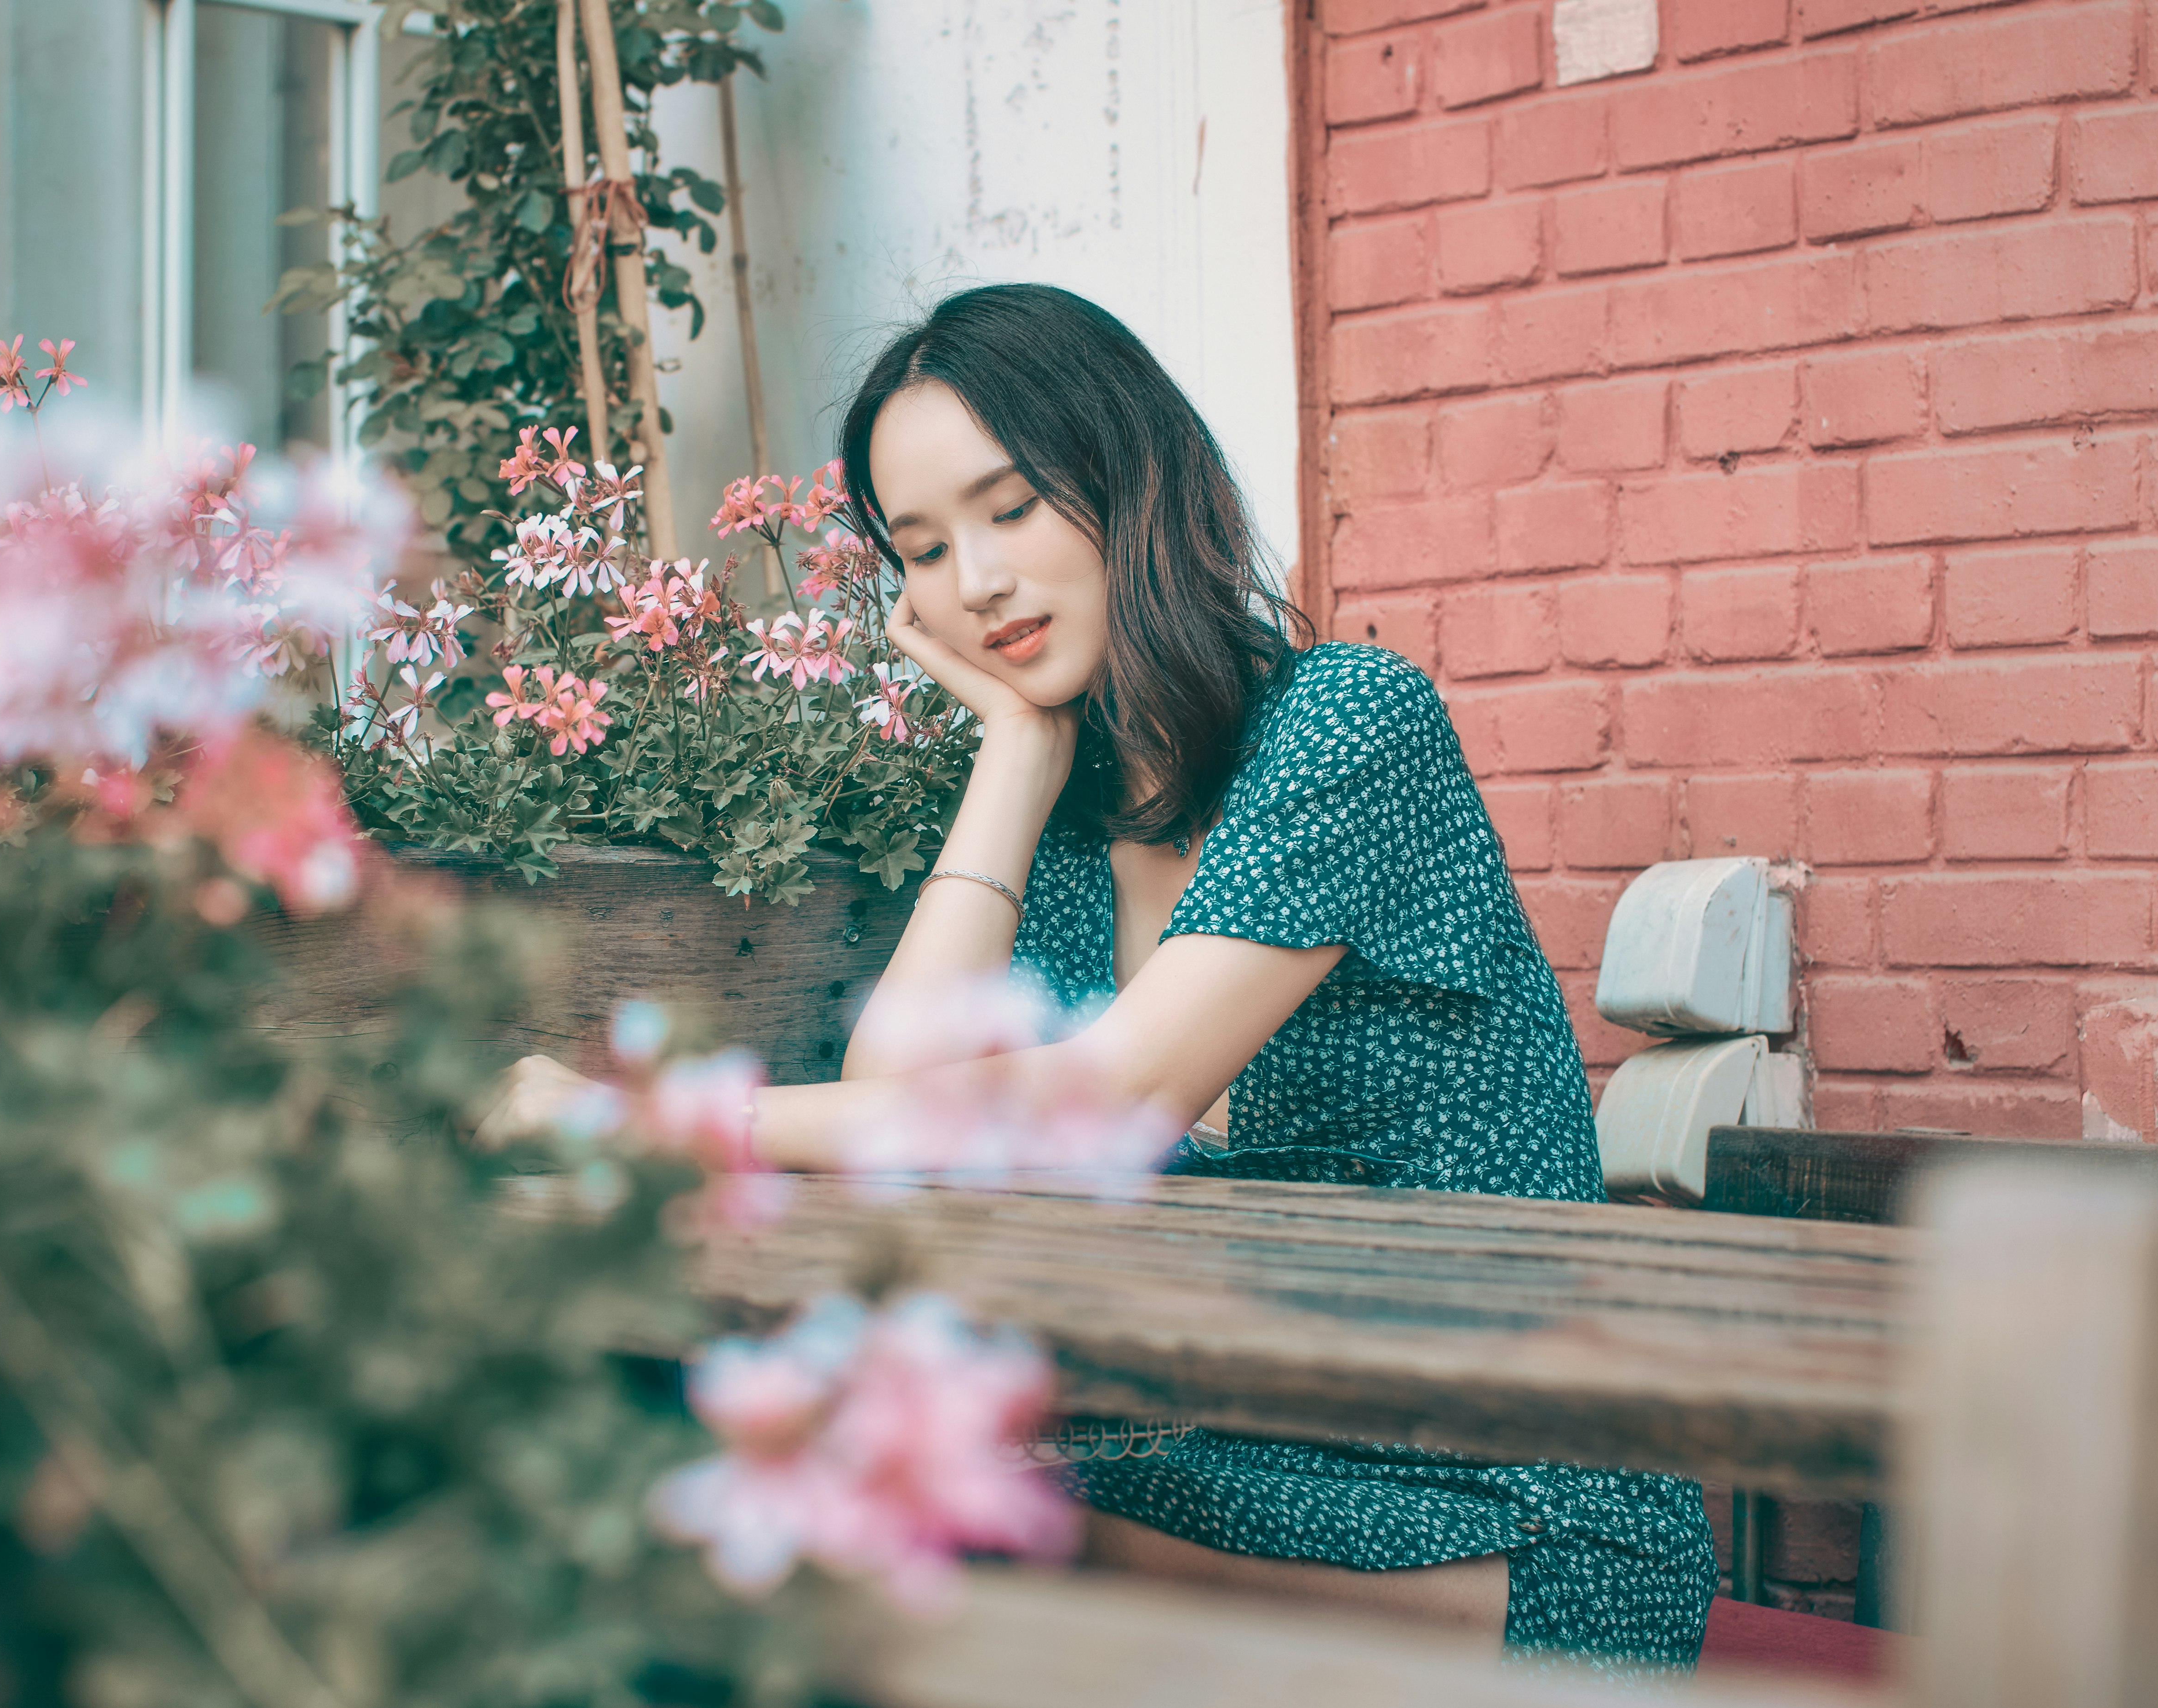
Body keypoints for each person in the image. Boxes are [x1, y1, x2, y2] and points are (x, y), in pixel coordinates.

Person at [491, 282, 1717, 1671]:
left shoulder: (1348, 723)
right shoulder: (1076, 833)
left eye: (1011, 507)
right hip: (1220, 1460)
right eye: (930, 550)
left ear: (1133, 474)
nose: (981, 581)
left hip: (1510, 1503)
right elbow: (902, 1102)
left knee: (834, 1520)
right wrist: (1015, 754)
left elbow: (1112, 1093)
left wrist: (650, 1118)